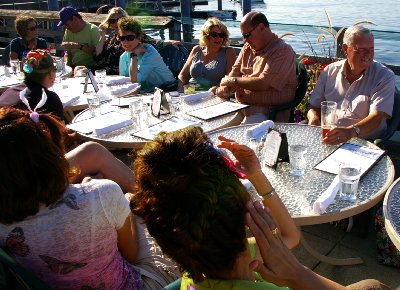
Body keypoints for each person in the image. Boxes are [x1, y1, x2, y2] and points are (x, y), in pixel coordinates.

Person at [0, 107, 180, 289]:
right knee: (138, 206)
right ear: (49, 153)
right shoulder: (103, 193)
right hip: (134, 285)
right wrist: (123, 202)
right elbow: (131, 255)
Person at [130, 126, 300, 289]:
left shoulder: (198, 266)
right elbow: (290, 235)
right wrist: (296, 275)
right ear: (247, 214)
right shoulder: (249, 260)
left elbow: (289, 236)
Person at [307, 25, 395, 145]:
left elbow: (377, 117)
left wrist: (351, 132)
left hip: (364, 143)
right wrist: (313, 118)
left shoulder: (384, 76)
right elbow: (313, 106)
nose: (368, 54)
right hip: (329, 137)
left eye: (371, 48)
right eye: (361, 49)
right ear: (345, 49)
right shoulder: (330, 71)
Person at [215, 11, 298, 124]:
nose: (245, 40)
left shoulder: (282, 51)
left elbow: (263, 83)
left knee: (239, 135)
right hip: (241, 106)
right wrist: (226, 88)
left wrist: (232, 81)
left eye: (247, 35)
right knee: (211, 125)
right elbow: (235, 70)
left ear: (261, 27)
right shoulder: (248, 47)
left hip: (268, 113)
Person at [96, 7, 181, 76]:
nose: (116, 23)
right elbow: (99, 58)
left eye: (119, 20)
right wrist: (102, 37)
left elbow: (152, 43)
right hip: (110, 75)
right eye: (112, 21)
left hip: (128, 75)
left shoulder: (134, 36)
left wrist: (168, 42)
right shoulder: (112, 39)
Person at [0, 49, 64, 120]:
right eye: (55, 69)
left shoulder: (9, 91)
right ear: (51, 73)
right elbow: (61, 130)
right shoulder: (49, 99)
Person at [177, 17, 236, 93]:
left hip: (212, 94)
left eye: (221, 35)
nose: (218, 38)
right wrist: (181, 91)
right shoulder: (196, 50)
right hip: (190, 92)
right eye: (214, 35)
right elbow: (182, 75)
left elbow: (229, 79)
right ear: (206, 36)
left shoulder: (228, 52)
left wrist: (215, 89)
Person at [117, 17, 176, 92]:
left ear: (139, 38)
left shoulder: (150, 53)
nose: (125, 42)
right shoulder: (123, 57)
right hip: (147, 93)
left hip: (168, 90)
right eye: (122, 38)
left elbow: (134, 80)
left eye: (130, 37)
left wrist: (134, 55)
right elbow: (124, 81)